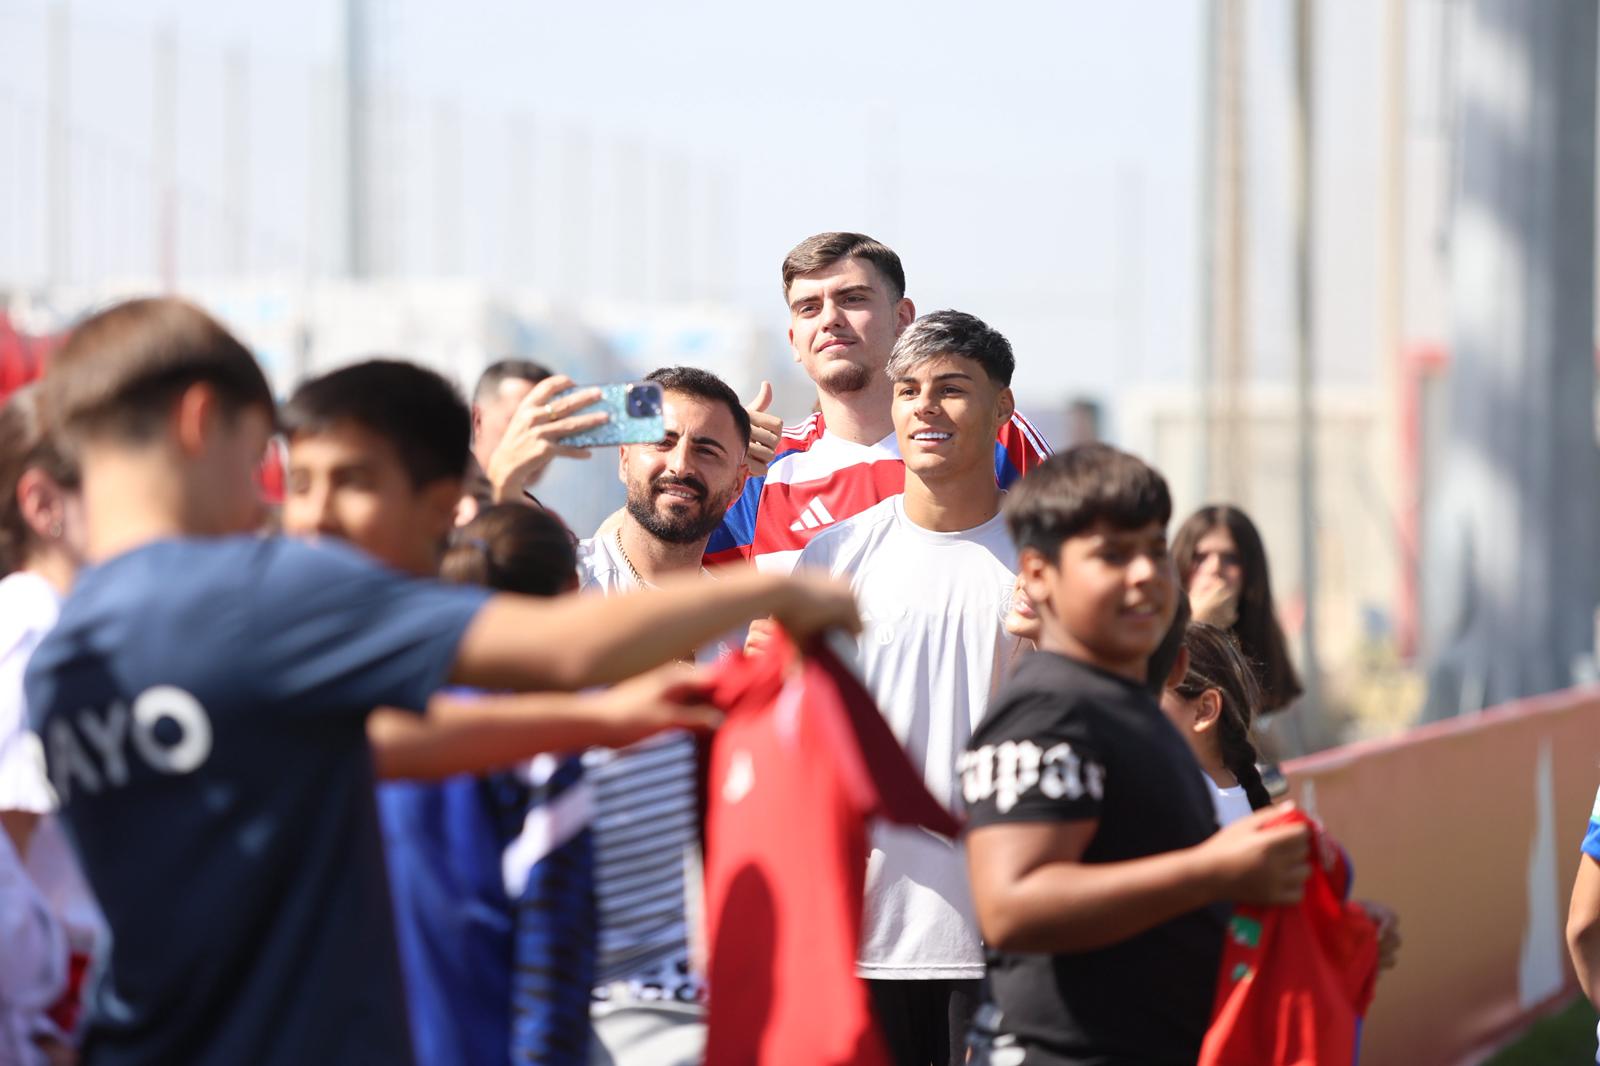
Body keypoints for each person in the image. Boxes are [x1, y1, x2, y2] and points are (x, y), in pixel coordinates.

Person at [25, 298, 861, 1066]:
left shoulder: (65, 652)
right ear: (201, 422)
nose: (270, 509)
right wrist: (774, 587)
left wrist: (590, 724)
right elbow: (556, 649)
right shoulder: (258, 592)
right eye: (262, 469)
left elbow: (367, 746)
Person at [960, 444, 1311, 1066]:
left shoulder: (1131, 713)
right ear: (1038, 574)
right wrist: (1216, 870)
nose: (1146, 572)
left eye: (1153, 548)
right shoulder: (1048, 709)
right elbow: (1012, 906)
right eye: (1112, 555)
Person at [791, 311, 1026, 1066]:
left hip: (1003, 938)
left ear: (1003, 410)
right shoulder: (833, 558)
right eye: (910, 389)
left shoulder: (1047, 564)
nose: (925, 406)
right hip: (855, 942)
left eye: (952, 389)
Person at [576, 366, 751, 1066]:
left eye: (708, 451)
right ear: (623, 456)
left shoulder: (756, 626)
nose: (680, 465)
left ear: (739, 484)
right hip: (576, 973)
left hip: (711, 986)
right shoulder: (564, 584)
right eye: (662, 441)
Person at [706, 232, 1051, 573]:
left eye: (853, 298)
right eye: (809, 308)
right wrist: (708, 450)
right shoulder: (759, 468)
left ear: (902, 318)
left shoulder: (994, 433)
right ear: (794, 341)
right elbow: (655, 576)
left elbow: (1084, 554)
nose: (830, 319)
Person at [0, 387, 89, 1066]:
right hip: (48, 1013)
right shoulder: (35, 628)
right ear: (44, 506)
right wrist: (44, 1029)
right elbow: (9, 841)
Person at [1172, 505, 1303, 714]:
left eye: (1231, 558)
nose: (1214, 568)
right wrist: (1199, 627)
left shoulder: (1263, 646)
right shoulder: (1153, 637)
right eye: (1200, 557)